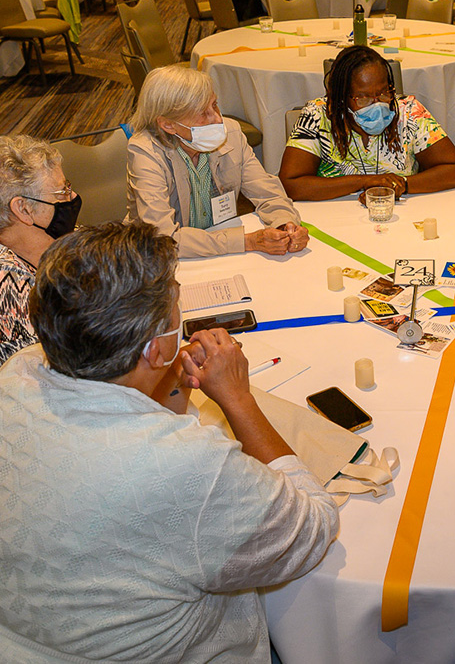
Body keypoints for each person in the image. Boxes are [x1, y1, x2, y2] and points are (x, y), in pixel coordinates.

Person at [0, 221, 339, 662]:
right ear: (157, 349)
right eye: (177, 304)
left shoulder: (19, 373)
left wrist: (169, 387)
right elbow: (312, 527)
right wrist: (238, 398)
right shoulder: (185, 464)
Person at [127, 66, 309, 259]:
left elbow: (269, 195)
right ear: (168, 125)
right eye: (202, 114)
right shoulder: (145, 152)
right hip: (159, 261)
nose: (217, 119)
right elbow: (163, 239)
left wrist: (285, 226)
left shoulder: (230, 133)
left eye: (214, 105)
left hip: (221, 252)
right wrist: (247, 241)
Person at [279, 46, 455, 201]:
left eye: (384, 93)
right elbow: (290, 184)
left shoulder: (410, 112)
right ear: (341, 98)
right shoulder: (318, 115)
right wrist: (366, 181)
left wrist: (401, 184)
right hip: (336, 220)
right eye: (363, 98)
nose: (377, 105)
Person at [0, 135, 79, 364]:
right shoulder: (10, 283)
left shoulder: (61, 244)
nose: (72, 197)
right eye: (62, 191)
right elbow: (50, 374)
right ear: (23, 209)